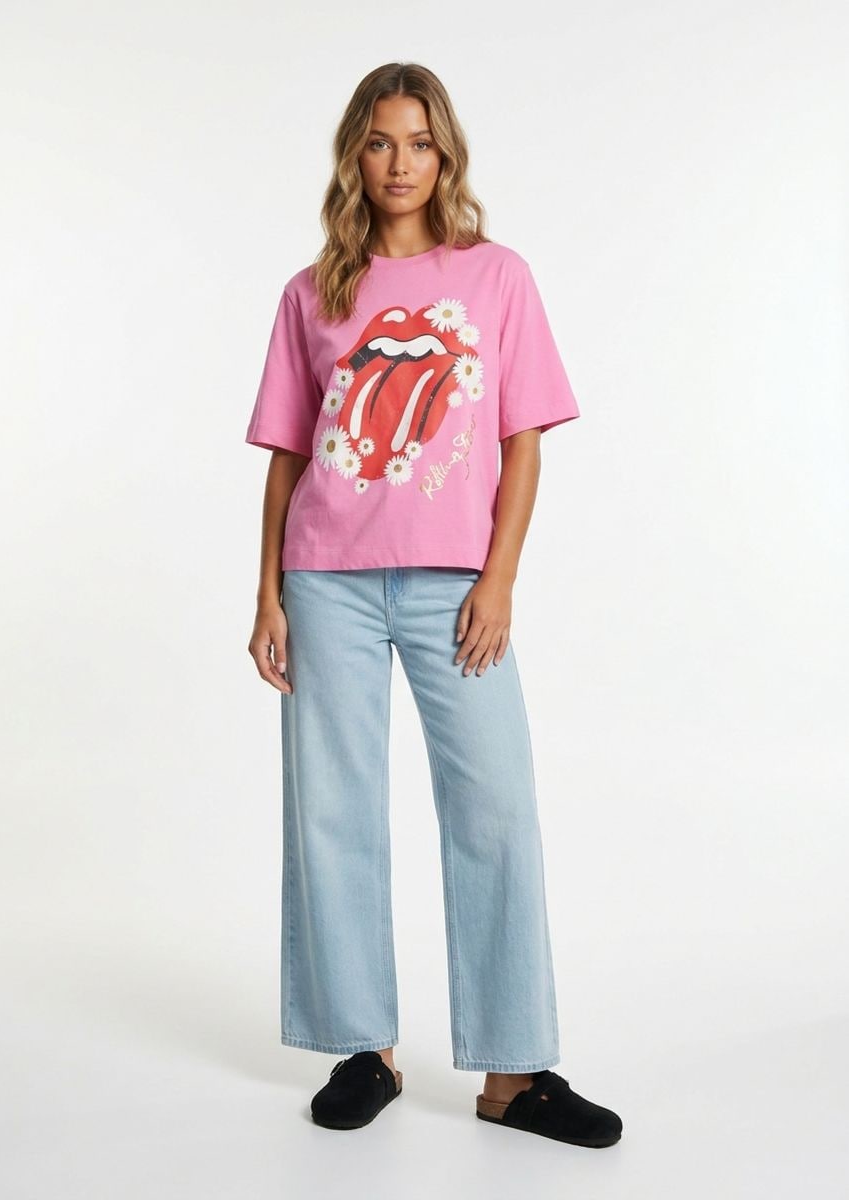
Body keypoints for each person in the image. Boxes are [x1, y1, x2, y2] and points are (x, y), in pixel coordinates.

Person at [245, 61, 622, 1148]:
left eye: (418, 142)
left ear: (444, 154)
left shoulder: (496, 277)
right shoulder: (313, 292)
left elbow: (522, 441)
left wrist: (499, 579)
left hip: (456, 585)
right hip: (326, 581)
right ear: (354, 157)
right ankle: (363, 1048)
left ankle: (515, 1073)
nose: (399, 162)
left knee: (495, 807)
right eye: (379, 141)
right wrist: (267, 591)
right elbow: (287, 455)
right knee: (334, 811)